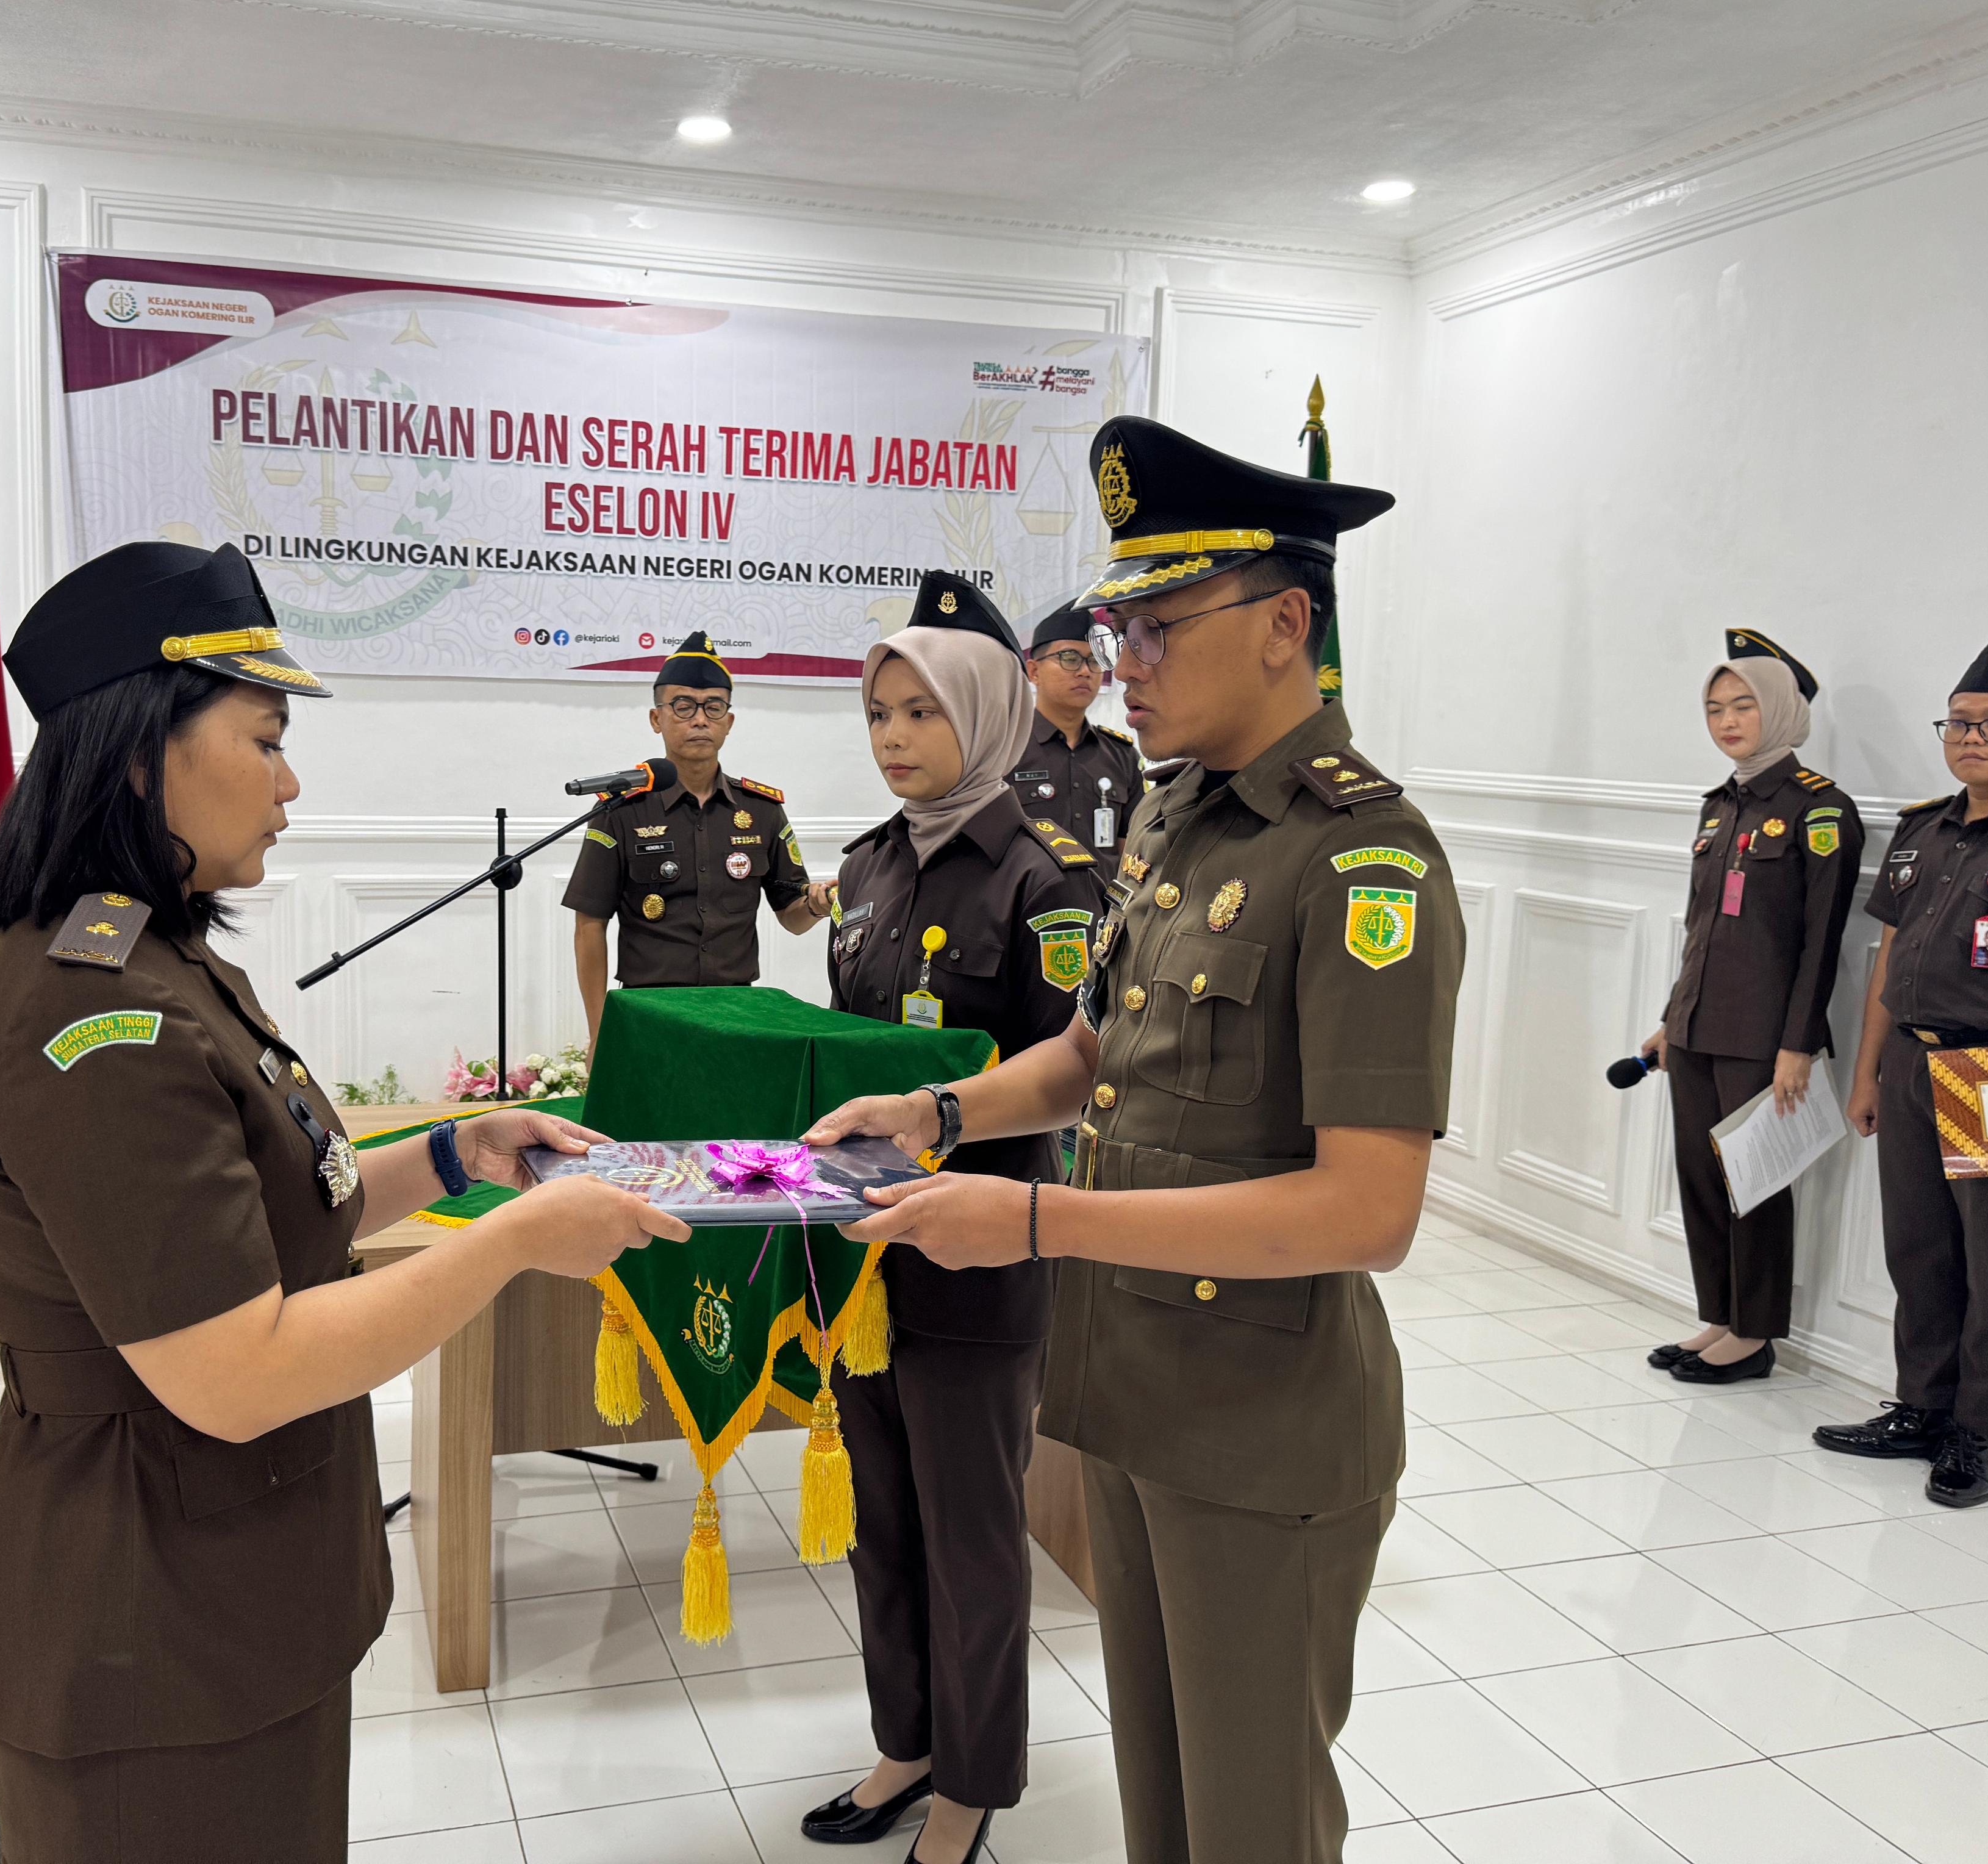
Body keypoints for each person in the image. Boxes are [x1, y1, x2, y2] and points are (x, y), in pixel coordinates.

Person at [0, 541, 687, 1862]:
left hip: (225, 1595)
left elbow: (281, 1205)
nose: (291, 784)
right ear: (135, 752)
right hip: (148, 1631)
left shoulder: (154, 953)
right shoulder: (98, 1019)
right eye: (266, 739)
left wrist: (463, 1157)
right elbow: (235, 1370)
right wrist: (516, 1244)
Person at [806, 416, 1462, 1864]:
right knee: (1164, 1811)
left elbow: (1370, 1209)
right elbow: (1100, 1052)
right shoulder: (1174, 822)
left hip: (1261, 1416)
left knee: (1250, 1822)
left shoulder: (1360, 856)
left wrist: (1037, 1223)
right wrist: (943, 1111)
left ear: (1286, 624)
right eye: (1116, 624)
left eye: (1159, 624)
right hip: (1132, 1391)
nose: (1122, 662)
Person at [804, 572, 1101, 1864]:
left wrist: (941, 1116)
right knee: (886, 1519)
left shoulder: (1042, 882)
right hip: (865, 1262)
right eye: (878, 714)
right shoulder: (866, 869)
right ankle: (905, 1745)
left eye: (921, 712)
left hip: (977, 1252)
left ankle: (973, 1787)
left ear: (984, 714)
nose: (894, 737)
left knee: (972, 1534)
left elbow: (1067, 1076)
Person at [1821, 636, 1988, 1507]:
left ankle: (1976, 1431)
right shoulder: (1925, 829)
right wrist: (1869, 1072)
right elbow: (1889, 958)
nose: (1971, 737)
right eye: (1957, 722)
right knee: (1919, 1250)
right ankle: (1921, 1405)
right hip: (1911, 1060)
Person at [1637, 631, 1862, 1384]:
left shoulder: (1819, 809)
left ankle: (1755, 1333)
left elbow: (1819, 941)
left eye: (1742, 706)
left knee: (1752, 1181)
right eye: (1712, 708)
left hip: (1763, 1037)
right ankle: (1719, 1316)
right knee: (1700, 1175)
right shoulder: (1717, 807)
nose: (1727, 721)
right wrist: (1673, 1018)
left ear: (1781, 711)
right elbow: (1701, 927)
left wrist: (1797, 1043)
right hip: (1700, 1025)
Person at [564, 629, 832, 1054]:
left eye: (714, 707)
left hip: (737, 1014)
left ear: (729, 721)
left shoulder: (761, 810)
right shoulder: (622, 809)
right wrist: (601, 1031)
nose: (700, 719)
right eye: (683, 706)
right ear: (657, 719)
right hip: (648, 1011)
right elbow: (589, 925)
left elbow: (792, 918)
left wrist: (816, 906)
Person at [1011, 606, 1145, 874]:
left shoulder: (1121, 756)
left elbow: (1131, 850)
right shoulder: (1006, 749)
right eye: (1069, 658)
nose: (1085, 671)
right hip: (1024, 909)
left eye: (1094, 661)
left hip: (1103, 911)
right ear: (1034, 671)